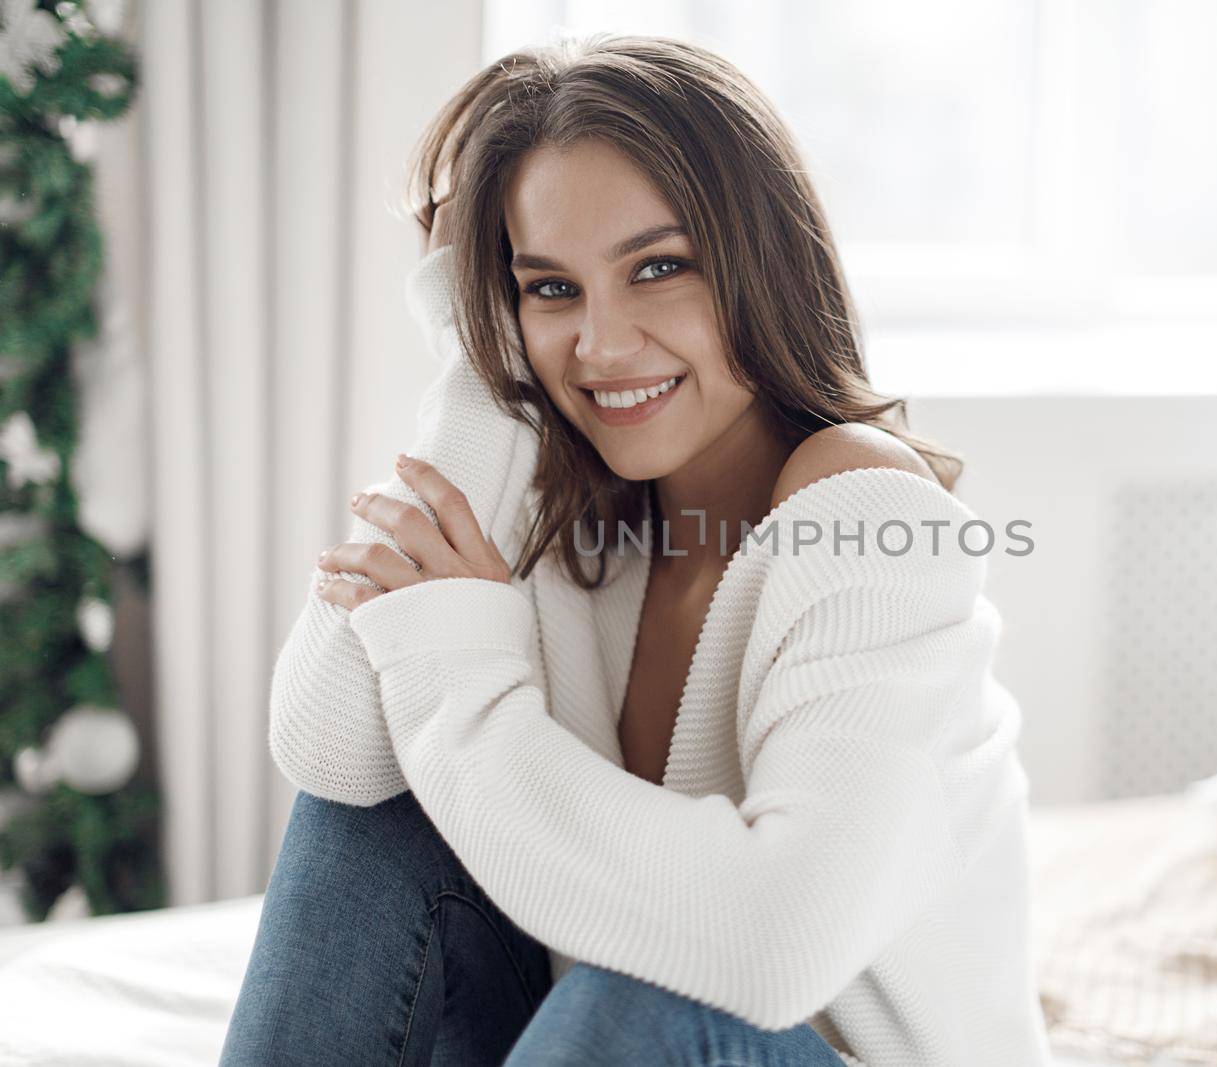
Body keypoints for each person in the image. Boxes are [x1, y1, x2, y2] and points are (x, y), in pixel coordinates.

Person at [220, 32, 1053, 1067]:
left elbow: (768, 950)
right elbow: (330, 752)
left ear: (761, 264)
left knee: (638, 1003)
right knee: (379, 816)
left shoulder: (869, 509)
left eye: (658, 269)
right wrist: (481, 361)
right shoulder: (581, 515)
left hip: (759, 1046)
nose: (601, 346)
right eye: (549, 288)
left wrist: (461, 672)